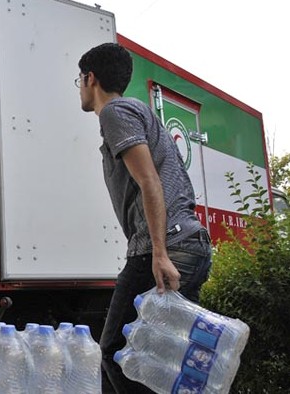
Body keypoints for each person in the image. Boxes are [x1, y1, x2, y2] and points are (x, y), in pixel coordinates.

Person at [76, 42, 212, 393]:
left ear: (90, 78)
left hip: (169, 245)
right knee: (159, 362)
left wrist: (159, 251)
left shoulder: (115, 112)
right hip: (190, 242)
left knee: (114, 351)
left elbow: (149, 180)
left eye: (79, 79)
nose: (79, 86)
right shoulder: (135, 110)